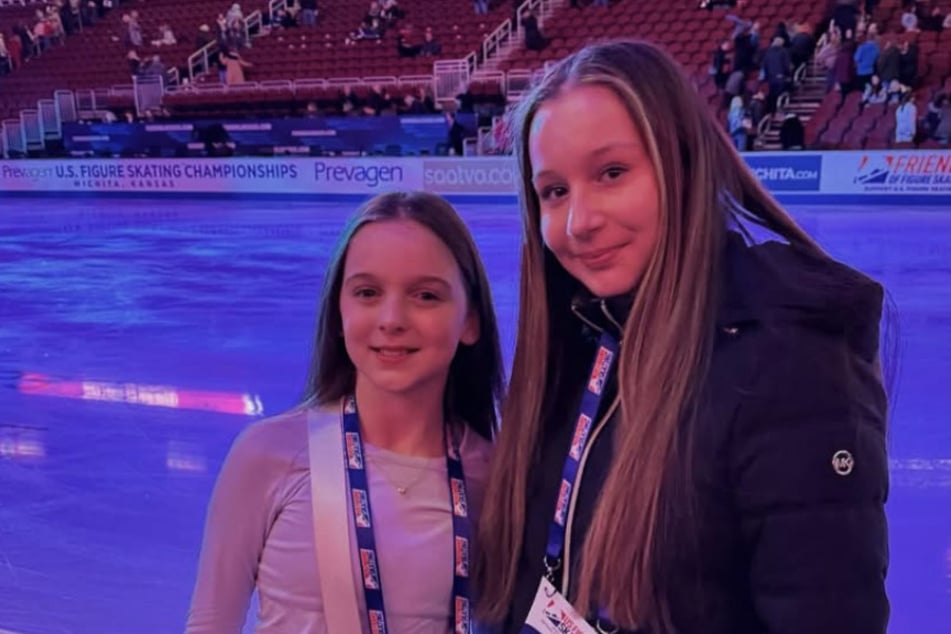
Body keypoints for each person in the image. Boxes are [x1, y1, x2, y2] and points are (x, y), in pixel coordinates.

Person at [475, 39, 890, 634]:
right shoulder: (582, 337)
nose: (578, 222)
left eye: (612, 173)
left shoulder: (788, 362)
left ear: (684, 163)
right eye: (554, 192)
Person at [186, 191, 505, 633]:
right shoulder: (268, 456)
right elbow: (210, 624)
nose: (392, 318)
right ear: (339, 312)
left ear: (470, 320)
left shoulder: (490, 476)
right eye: (368, 292)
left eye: (426, 295)